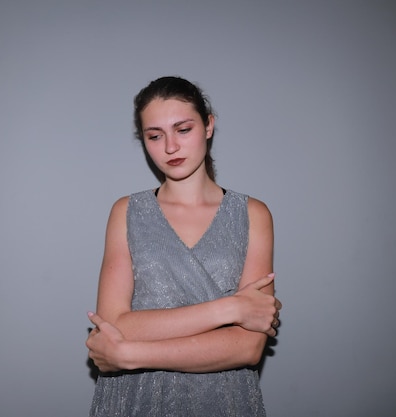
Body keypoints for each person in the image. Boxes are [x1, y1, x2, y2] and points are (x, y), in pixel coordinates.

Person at [86, 76, 281, 417]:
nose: (170, 147)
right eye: (155, 136)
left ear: (208, 125)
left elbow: (248, 347)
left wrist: (129, 355)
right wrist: (230, 310)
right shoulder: (126, 212)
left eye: (183, 129)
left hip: (224, 401)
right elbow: (115, 323)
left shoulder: (253, 215)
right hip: (134, 400)